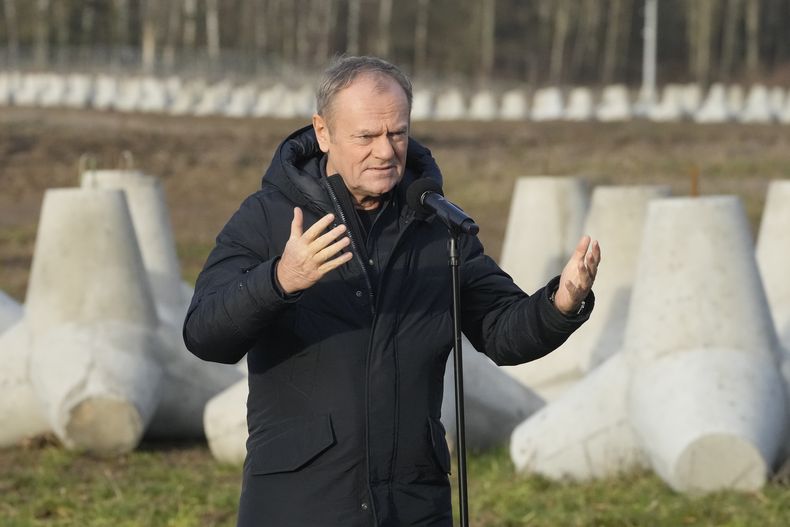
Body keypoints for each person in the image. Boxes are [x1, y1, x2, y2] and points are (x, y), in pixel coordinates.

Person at [183, 56, 600, 527]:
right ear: (323, 133)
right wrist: (280, 280)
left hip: (413, 504)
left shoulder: (439, 226)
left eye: (397, 134)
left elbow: (503, 331)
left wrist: (563, 302)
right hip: (299, 503)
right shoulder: (268, 218)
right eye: (366, 136)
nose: (385, 151)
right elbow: (204, 334)